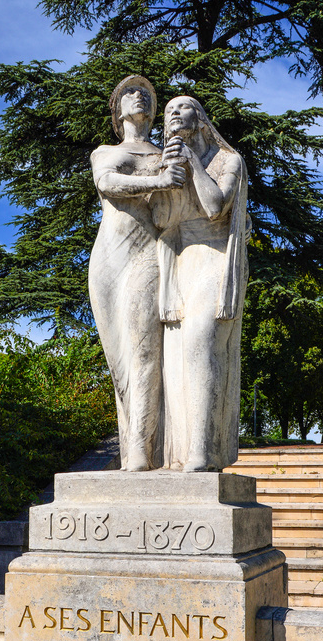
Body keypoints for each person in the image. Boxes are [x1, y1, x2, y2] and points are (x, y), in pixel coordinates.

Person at [89, 76, 185, 471]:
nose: (139, 95)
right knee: (120, 363)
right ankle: (135, 449)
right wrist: (160, 179)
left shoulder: (168, 152)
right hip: (109, 260)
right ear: (118, 111)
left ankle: (142, 456)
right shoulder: (106, 151)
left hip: (150, 253)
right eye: (129, 92)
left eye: (146, 92)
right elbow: (107, 182)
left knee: (145, 352)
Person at [150, 96, 249, 471]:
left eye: (183, 107)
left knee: (200, 342)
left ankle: (203, 451)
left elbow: (214, 206)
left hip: (216, 257)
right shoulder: (169, 161)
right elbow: (161, 219)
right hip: (179, 261)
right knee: (176, 361)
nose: (174, 113)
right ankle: (185, 448)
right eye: (169, 110)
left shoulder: (228, 161)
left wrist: (192, 162)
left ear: (202, 120)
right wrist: (164, 177)